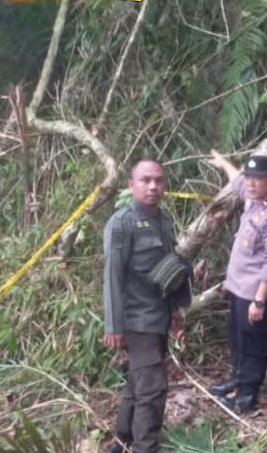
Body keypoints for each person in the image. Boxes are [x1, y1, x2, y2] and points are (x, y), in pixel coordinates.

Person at [102, 159, 191, 453]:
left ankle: (121, 441)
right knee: (152, 390)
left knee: (139, 381)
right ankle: (144, 447)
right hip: (137, 320)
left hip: (159, 316)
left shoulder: (163, 220)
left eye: (159, 180)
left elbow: (169, 269)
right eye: (145, 180)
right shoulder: (122, 223)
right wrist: (113, 326)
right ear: (131, 185)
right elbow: (112, 275)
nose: (153, 186)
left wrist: (175, 310)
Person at [207, 150, 267, 413]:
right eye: (249, 177)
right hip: (238, 288)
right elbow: (237, 182)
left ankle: (247, 395)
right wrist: (223, 164)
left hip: (255, 292)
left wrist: (259, 300)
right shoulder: (254, 200)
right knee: (238, 339)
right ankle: (237, 378)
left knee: (253, 344)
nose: (251, 183)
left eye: (258, 178)